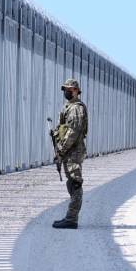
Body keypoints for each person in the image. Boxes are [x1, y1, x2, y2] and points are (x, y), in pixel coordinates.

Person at [52, 78, 88, 229]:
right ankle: (70, 217)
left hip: (73, 151)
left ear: (75, 90)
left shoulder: (76, 108)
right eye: (64, 89)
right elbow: (65, 128)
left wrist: (61, 148)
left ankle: (72, 219)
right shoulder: (70, 107)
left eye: (68, 89)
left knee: (75, 183)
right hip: (70, 151)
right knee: (71, 182)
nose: (65, 92)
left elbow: (73, 132)